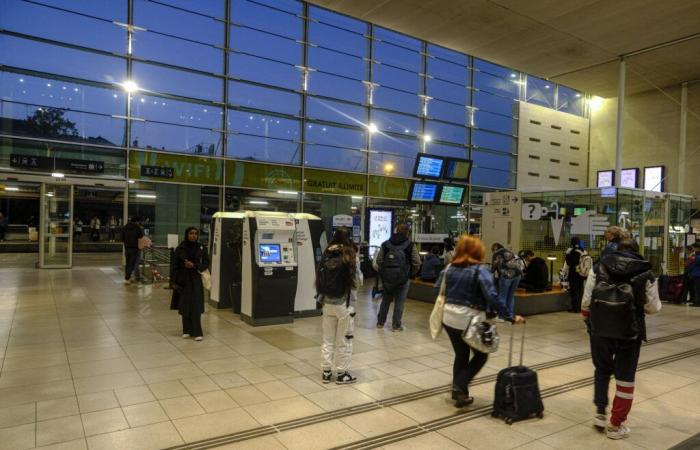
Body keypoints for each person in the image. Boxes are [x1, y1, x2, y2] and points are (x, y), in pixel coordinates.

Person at [581, 239, 661, 439]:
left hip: (599, 330)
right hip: (629, 332)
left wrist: (589, 322)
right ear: (637, 251)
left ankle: (600, 413)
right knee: (625, 379)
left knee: (602, 369)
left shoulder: (599, 267)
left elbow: (586, 300)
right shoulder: (646, 272)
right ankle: (616, 425)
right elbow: (653, 308)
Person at [436, 235, 525, 408]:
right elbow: (492, 296)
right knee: (481, 355)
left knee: (461, 354)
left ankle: (459, 394)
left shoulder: (449, 268)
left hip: (448, 318)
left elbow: (437, 289)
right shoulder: (480, 270)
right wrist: (510, 316)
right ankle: (459, 385)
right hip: (467, 319)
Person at [316, 228, 362, 384]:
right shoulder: (350, 255)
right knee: (344, 339)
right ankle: (342, 374)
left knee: (327, 339)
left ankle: (326, 372)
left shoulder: (326, 253)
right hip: (344, 303)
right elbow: (358, 281)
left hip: (327, 303)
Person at [373, 224, 421, 331]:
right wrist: (410, 273)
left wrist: (385, 272)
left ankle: (380, 322)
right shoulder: (410, 245)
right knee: (400, 301)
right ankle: (396, 325)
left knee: (385, 300)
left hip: (388, 278)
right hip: (403, 279)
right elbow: (417, 262)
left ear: (396, 231)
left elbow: (379, 260)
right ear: (408, 233)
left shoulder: (386, 244)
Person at [170, 227, 210, 341]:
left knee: (196, 304)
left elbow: (206, 263)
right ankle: (186, 330)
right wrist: (174, 281)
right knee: (185, 304)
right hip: (183, 280)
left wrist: (195, 266)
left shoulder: (201, 247)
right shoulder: (180, 248)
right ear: (187, 234)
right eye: (191, 233)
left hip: (196, 279)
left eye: (196, 234)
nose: (194, 236)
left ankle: (197, 331)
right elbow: (174, 265)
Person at [491, 243, 523, 317]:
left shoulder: (496, 254)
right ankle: (510, 315)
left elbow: (493, 268)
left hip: (507, 275)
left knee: (502, 296)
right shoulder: (510, 252)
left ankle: (502, 316)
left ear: (495, 248)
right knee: (511, 296)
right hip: (517, 275)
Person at [563, 237, 589, 312]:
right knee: (581, 290)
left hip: (574, 274)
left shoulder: (572, 251)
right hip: (582, 274)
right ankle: (581, 307)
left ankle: (575, 308)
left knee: (574, 291)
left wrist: (567, 254)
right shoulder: (583, 251)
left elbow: (569, 262)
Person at [121, 216, 144, 284]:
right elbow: (141, 236)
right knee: (132, 263)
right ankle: (128, 278)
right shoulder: (137, 227)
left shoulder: (125, 227)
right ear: (137, 221)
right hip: (134, 248)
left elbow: (122, 238)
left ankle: (127, 277)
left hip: (127, 248)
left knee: (128, 263)